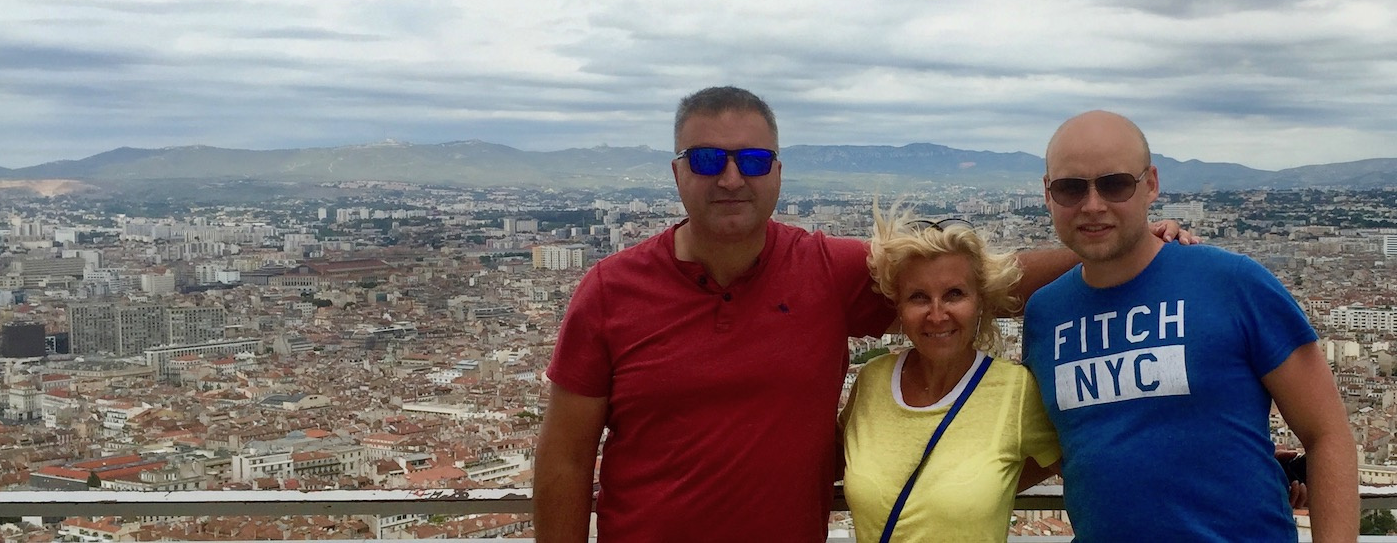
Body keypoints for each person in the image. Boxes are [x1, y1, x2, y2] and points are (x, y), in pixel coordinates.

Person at [534, 88, 1179, 543]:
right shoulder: (609, 292)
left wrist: (1127, 248)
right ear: (678, 172)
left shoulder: (821, 270)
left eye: (752, 160)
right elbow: (564, 457)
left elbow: (972, 282)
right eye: (707, 159)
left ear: (777, 172)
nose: (731, 177)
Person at [1022, 110, 1358, 542]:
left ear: (1151, 184)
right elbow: (1066, 447)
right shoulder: (1045, 314)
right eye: (1071, 188)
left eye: (1115, 183)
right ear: (1048, 194)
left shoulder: (1234, 282)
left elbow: (1327, 433)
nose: (1093, 205)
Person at [840, 206, 1060, 542]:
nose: (937, 315)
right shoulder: (871, 382)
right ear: (898, 307)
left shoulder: (1015, 392)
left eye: (954, 294)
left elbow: (1083, 472)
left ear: (981, 301)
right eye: (918, 297)